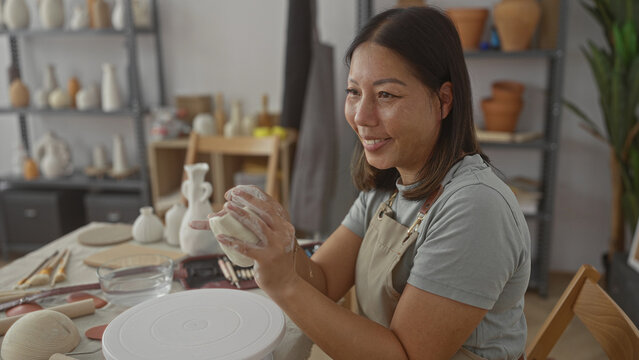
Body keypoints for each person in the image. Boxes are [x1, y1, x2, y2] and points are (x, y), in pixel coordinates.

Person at [192, 6, 530, 360]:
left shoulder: (475, 207)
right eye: (354, 92)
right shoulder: (387, 188)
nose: (361, 116)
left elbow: (406, 356)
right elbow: (322, 280)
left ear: (444, 99)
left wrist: (285, 284)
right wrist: (275, 239)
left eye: (386, 95)